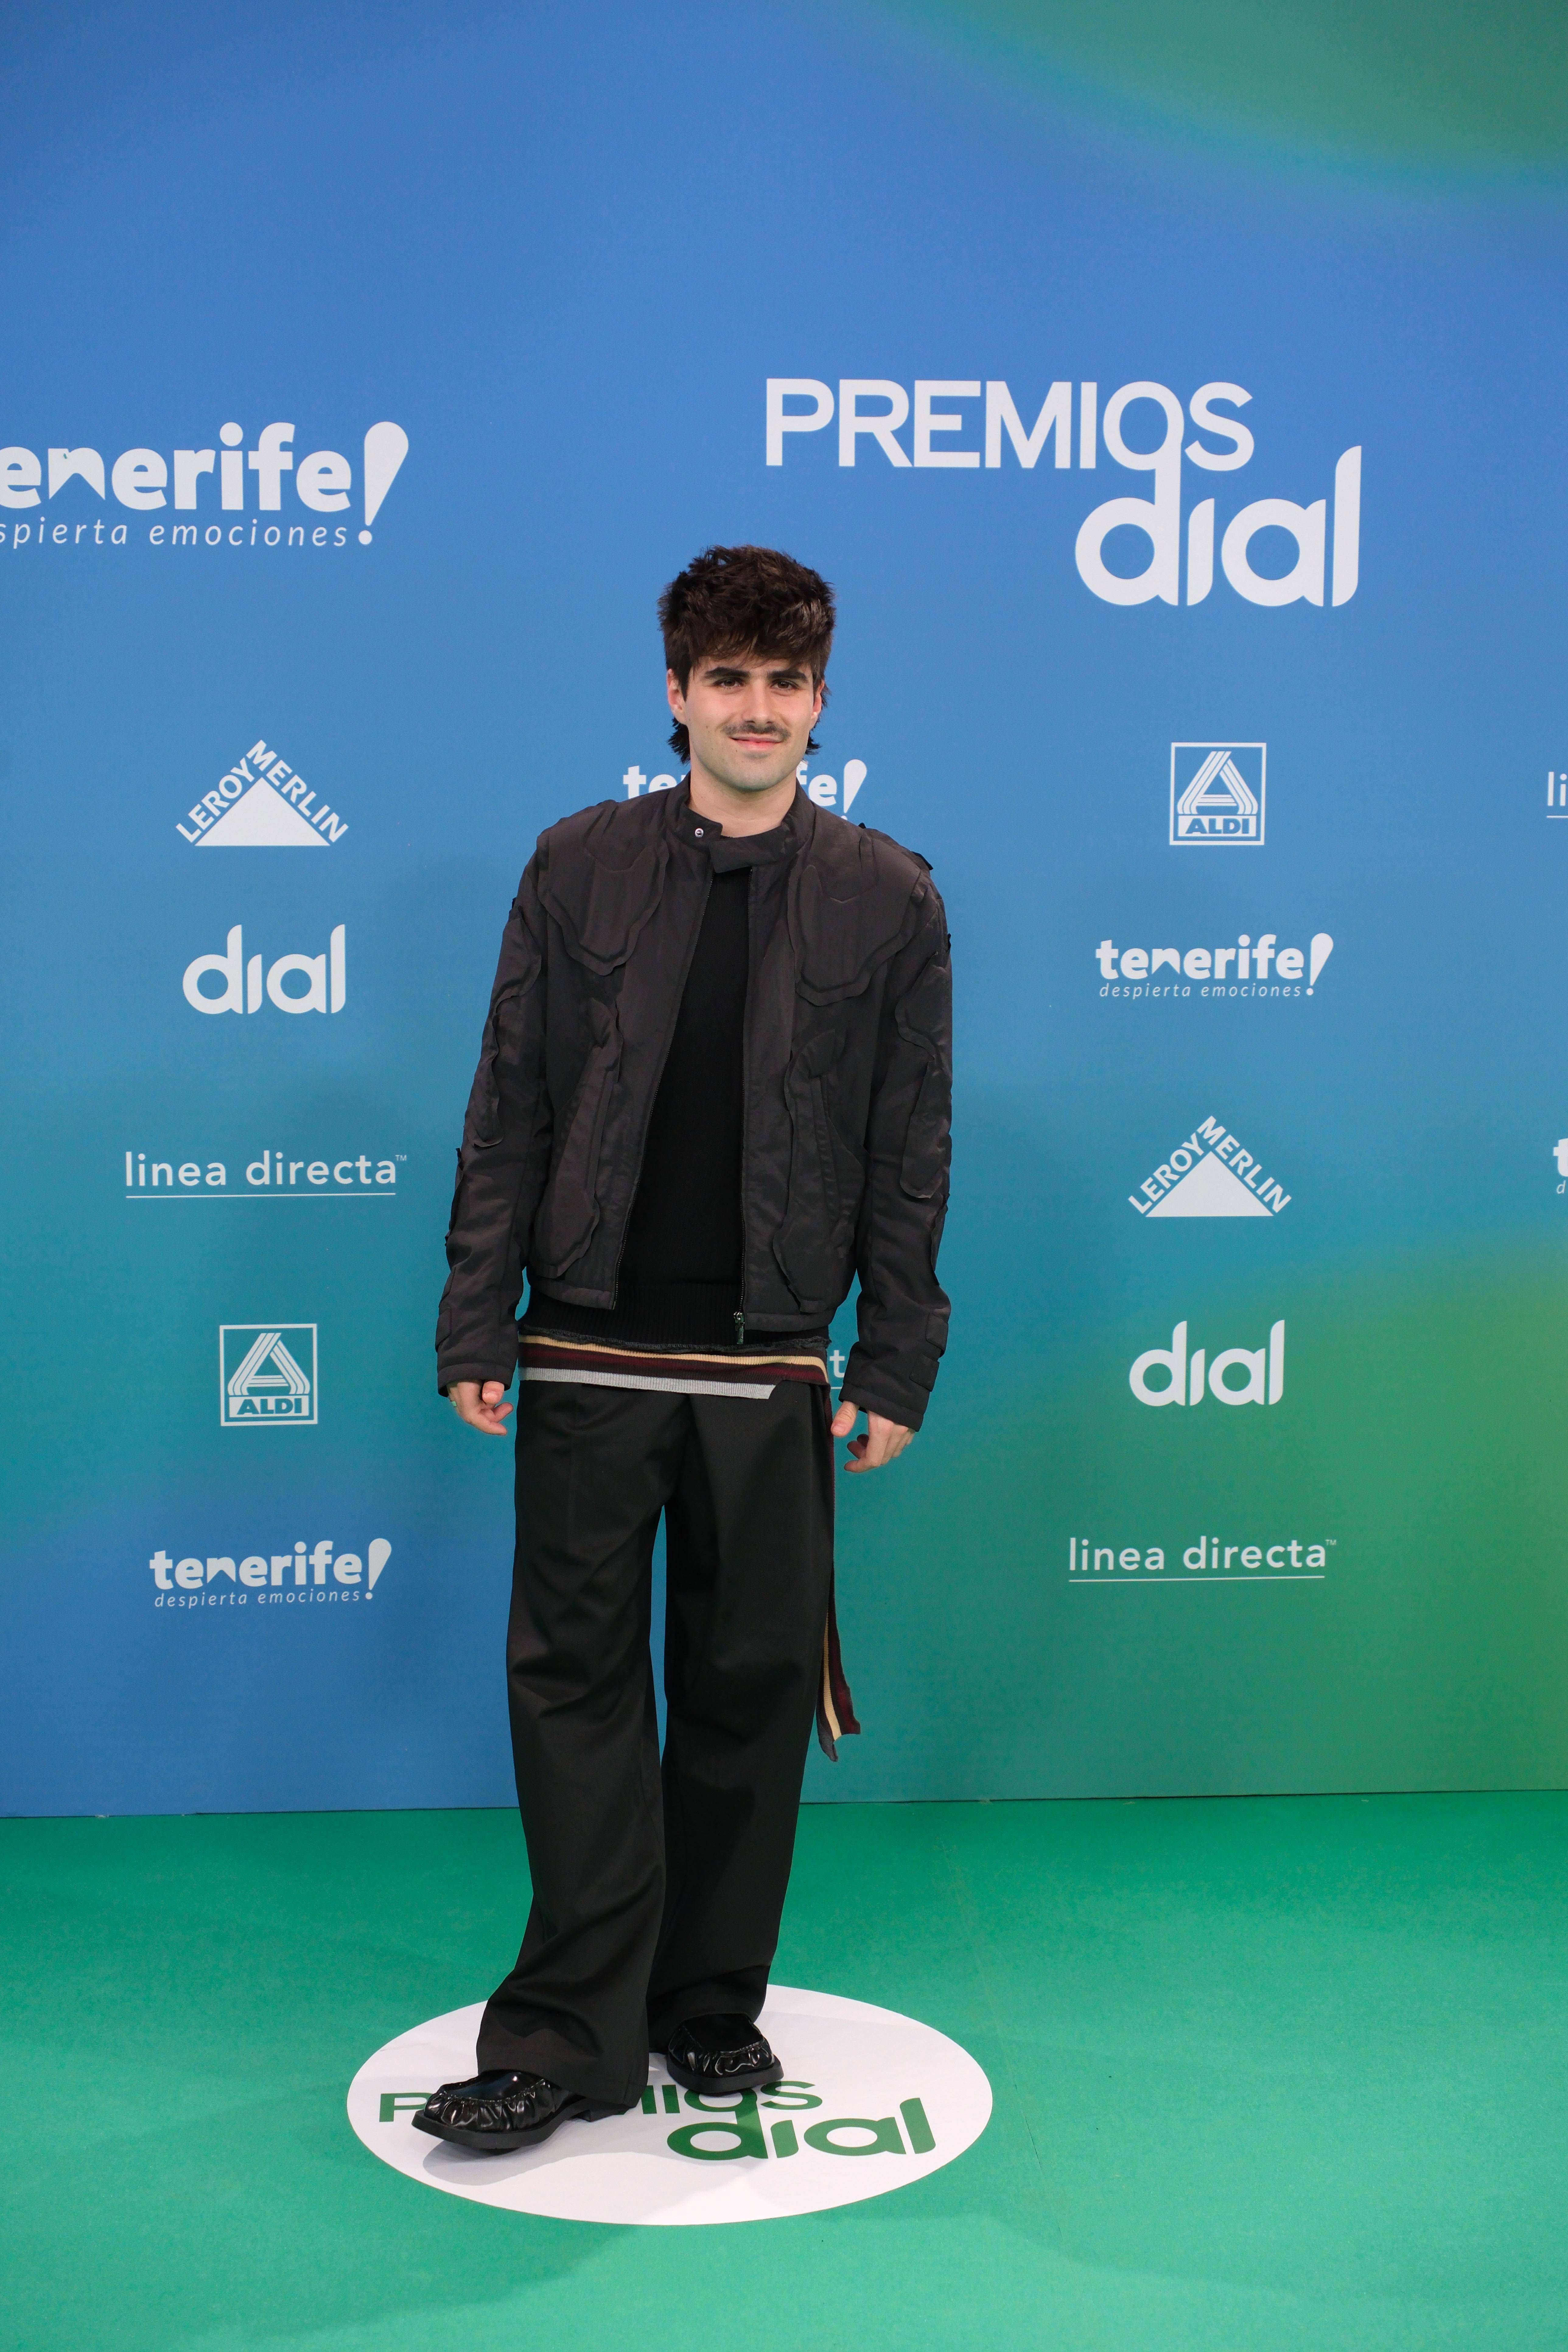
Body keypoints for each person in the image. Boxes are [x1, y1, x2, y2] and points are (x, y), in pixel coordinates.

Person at [415, 544, 952, 2154]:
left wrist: (898, 1354)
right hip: (584, 1349)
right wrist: (475, 1312)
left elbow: (909, 1142)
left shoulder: (890, 896)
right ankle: (566, 2034)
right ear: (676, 694)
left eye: (788, 683)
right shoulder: (576, 866)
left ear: (820, 698)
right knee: (574, 1689)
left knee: (743, 1691)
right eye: (729, 679)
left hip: (773, 1365)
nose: (760, 708)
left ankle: (708, 2005)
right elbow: (509, 1102)